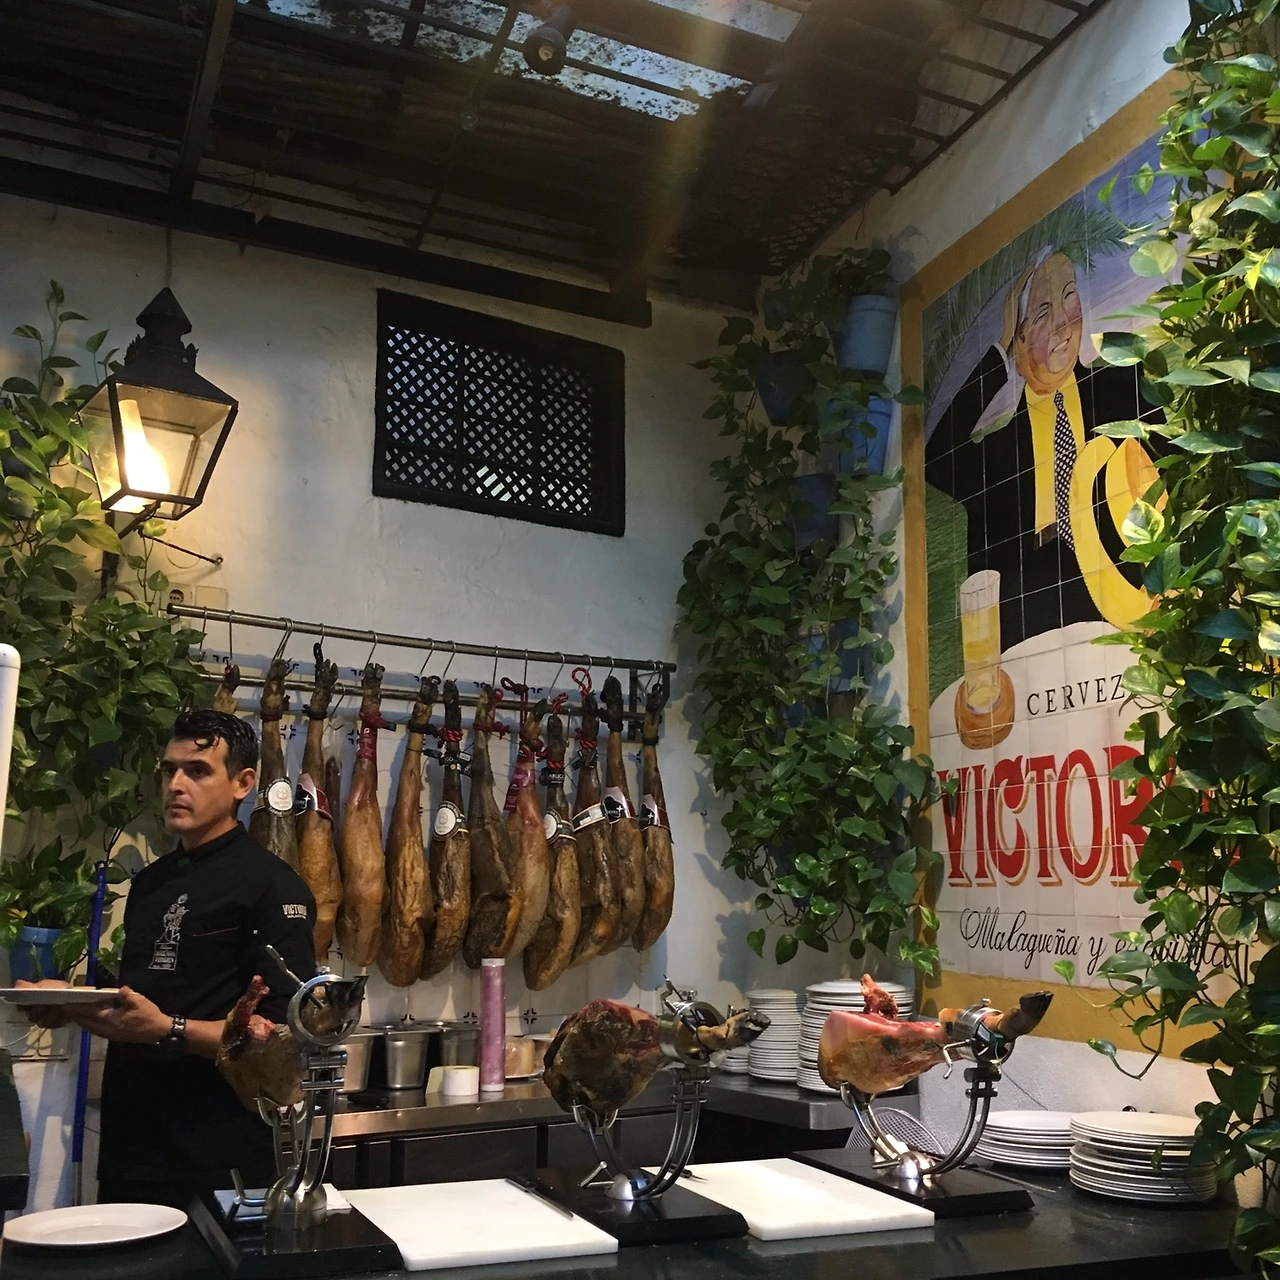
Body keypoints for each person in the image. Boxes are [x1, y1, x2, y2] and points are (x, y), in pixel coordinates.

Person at [20, 709, 317, 1209]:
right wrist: (69, 1003)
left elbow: (285, 1038)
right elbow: (143, 999)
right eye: (169, 770)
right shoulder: (151, 883)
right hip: (132, 1144)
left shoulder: (272, 887)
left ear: (243, 783)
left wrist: (168, 1029)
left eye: (197, 771)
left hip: (217, 1154)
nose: (176, 784)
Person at [925, 248, 1157, 651]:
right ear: (1019, 342)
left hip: (1120, 573)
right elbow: (937, 457)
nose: (1063, 323)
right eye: (1042, 312)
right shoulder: (1000, 455)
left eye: (1070, 296)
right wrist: (998, 350)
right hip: (1030, 596)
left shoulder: (1124, 390)